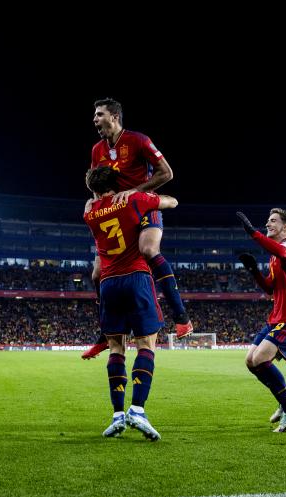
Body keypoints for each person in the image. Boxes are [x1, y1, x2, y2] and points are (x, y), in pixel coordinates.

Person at [82, 98, 192, 360]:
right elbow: (98, 181)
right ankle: (104, 334)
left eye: (99, 115)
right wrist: (93, 201)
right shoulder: (97, 149)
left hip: (140, 207)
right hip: (114, 216)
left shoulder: (138, 141)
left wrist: (135, 191)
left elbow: (167, 174)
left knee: (148, 248)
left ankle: (181, 316)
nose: (94, 120)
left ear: (115, 117)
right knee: (97, 273)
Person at [84, 166, 178, 441]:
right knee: (146, 344)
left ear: (93, 190)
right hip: (136, 278)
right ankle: (137, 409)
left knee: (116, 347)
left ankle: (116, 416)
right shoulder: (133, 200)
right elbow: (171, 202)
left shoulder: (89, 212)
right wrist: (139, 191)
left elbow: (93, 200)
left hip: (108, 283)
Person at [237, 208, 286, 432]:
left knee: (260, 359)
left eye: (272, 221)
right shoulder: (274, 256)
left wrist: (253, 234)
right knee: (251, 361)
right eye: (267, 221)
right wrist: (254, 271)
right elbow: (270, 288)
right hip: (277, 317)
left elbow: (285, 253)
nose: (267, 224)